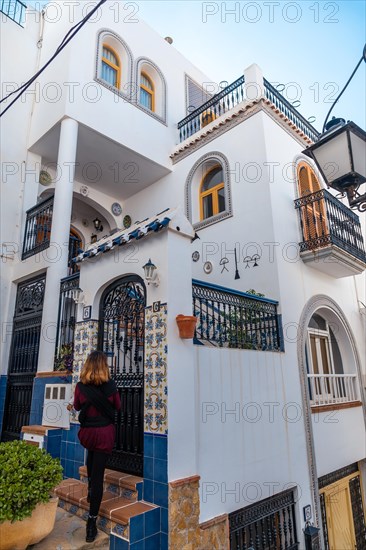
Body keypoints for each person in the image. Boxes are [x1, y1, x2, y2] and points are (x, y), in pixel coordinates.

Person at [73, 351, 121, 543]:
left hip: (88, 433)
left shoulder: (80, 387)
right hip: (103, 434)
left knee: (90, 458)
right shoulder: (110, 386)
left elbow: (76, 406)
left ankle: (92, 490)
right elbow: (117, 406)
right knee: (98, 474)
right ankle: (91, 522)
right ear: (104, 366)